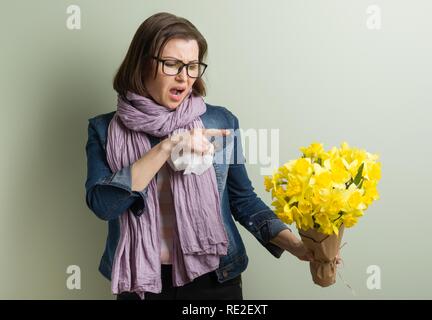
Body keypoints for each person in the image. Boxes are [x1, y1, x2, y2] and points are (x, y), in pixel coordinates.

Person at [84, 12, 313, 300]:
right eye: (171, 64)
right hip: (140, 282)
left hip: (216, 277)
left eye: (192, 66)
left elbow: (244, 201)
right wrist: (166, 147)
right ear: (142, 62)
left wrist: (297, 247)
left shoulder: (220, 122)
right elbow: (103, 205)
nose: (184, 76)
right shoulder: (104, 129)